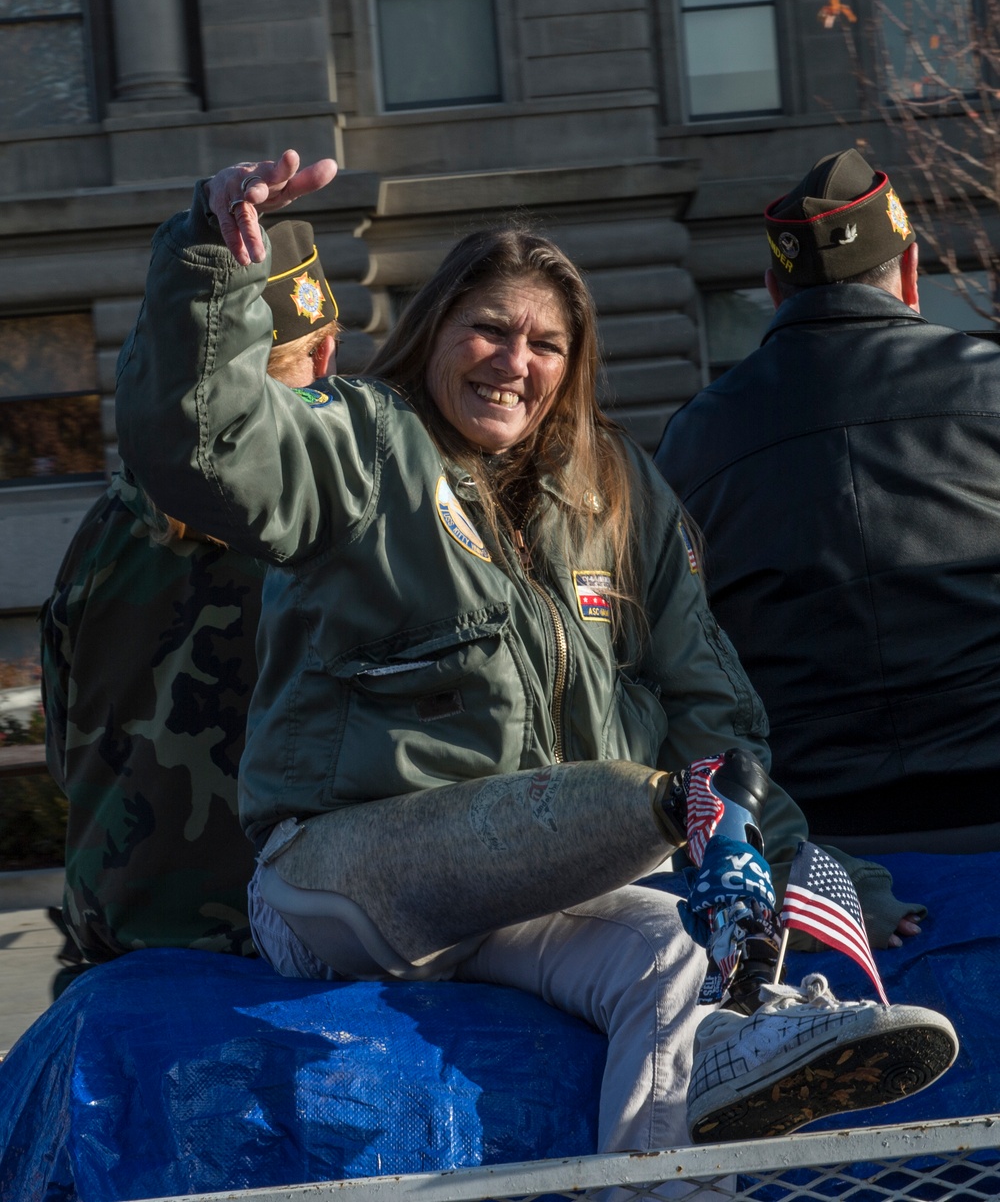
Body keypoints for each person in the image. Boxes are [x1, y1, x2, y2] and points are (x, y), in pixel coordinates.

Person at [113, 150, 955, 1153]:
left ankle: (682, 1148)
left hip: (538, 885)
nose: (515, 360)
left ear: (575, 363)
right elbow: (202, 447)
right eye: (489, 327)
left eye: (546, 342)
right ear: (434, 331)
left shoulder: (620, 489)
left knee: (665, 953)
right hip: (345, 876)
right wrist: (210, 258)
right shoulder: (359, 444)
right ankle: (706, 949)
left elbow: (711, 707)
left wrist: (801, 863)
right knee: (658, 801)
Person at [655, 148, 1000, 854]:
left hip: (814, 837)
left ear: (774, 291)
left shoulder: (692, 441)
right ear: (908, 273)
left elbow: (676, 654)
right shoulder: (992, 385)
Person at [41, 220, 340, 963]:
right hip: (273, 950)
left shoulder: (106, 525)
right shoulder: (322, 528)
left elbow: (62, 749)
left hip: (114, 944)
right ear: (326, 354)